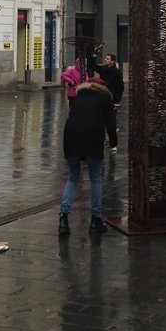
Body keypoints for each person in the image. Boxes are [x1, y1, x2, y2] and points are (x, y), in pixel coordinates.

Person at [58, 75, 117, 235]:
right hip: (92, 140)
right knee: (96, 179)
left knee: (73, 178)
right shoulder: (105, 99)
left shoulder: (77, 98)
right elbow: (111, 124)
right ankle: (96, 219)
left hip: (71, 139)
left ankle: (63, 218)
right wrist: (113, 142)